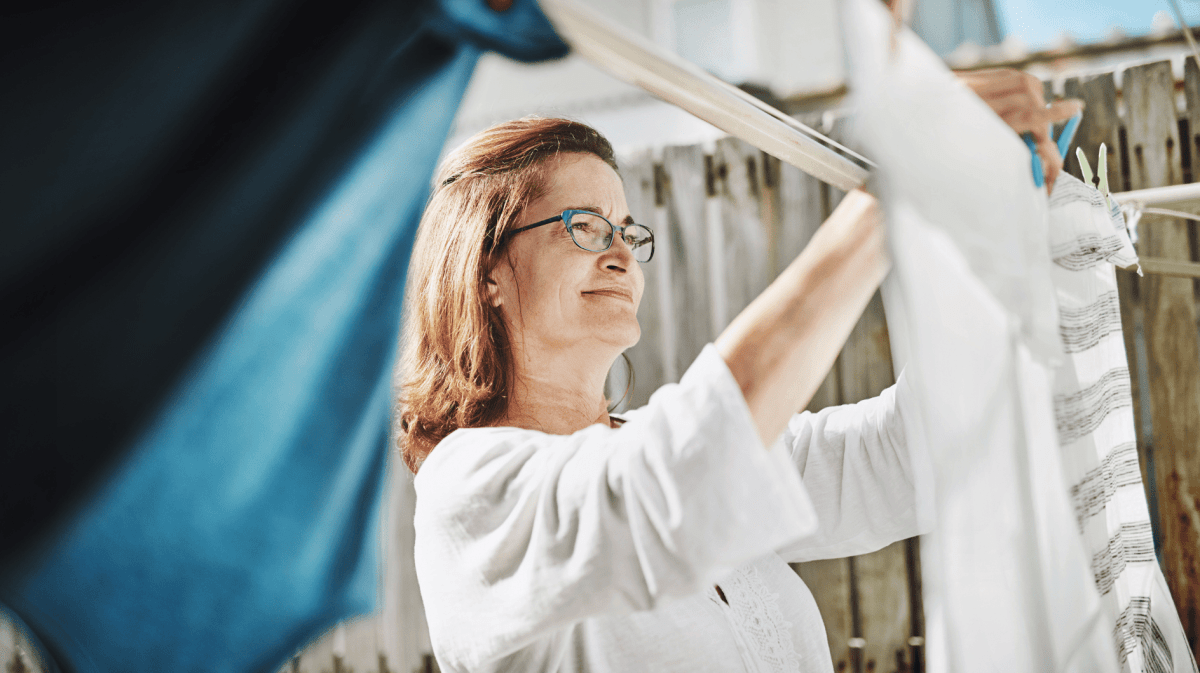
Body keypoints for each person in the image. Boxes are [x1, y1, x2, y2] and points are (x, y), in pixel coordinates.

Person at [398, 69, 1082, 672]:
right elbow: (674, 479)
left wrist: (1011, 245)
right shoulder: (471, 491)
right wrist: (890, 194)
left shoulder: (667, 445)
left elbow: (904, 456)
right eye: (585, 226)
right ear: (485, 269)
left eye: (628, 231)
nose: (621, 254)